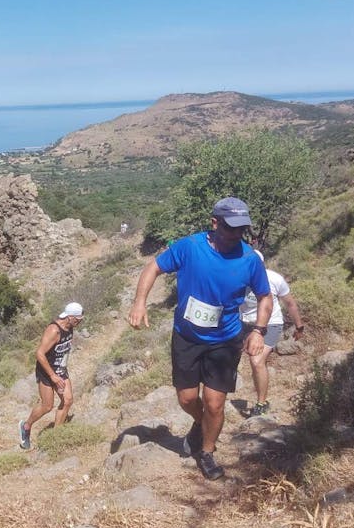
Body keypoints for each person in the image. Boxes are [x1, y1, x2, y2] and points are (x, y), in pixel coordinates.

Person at [128, 197, 272, 480]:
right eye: (230, 228)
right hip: (187, 337)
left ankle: (207, 451)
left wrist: (258, 330)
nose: (236, 235)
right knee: (187, 398)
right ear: (214, 223)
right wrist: (139, 302)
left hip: (225, 339)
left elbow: (265, 297)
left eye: (241, 229)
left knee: (215, 402)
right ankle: (200, 422)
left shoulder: (250, 259)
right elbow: (153, 267)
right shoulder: (190, 247)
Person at [240, 251, 305, 416]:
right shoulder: (237, 278)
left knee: (256, 361)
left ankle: (262, 403)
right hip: (245, 324)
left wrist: (299, 326)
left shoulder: (274, 279)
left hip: (271, 324)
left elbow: (290, 303)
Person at [19, 302, 85, 450]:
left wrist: (60, 371)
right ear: (69, 317)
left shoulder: (70, 326)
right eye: (78, 319)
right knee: (47, 406)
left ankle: (56, 436)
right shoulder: (54, 330)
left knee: (67, 401)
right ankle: (26, 426)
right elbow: (39, 354)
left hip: (60, 369)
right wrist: (53, 376)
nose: (79, 322)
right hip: (47, 371)